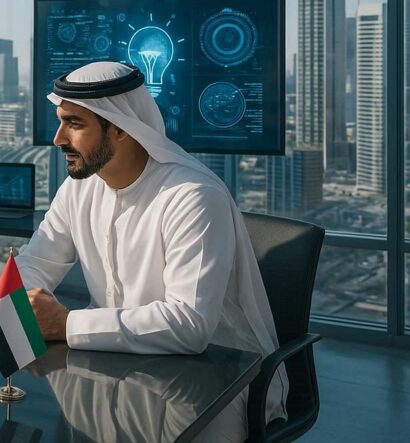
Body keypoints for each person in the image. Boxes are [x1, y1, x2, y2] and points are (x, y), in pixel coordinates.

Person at [16, 61, 287, 440]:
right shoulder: (79, 188)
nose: (58, 138)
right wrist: (27, 300)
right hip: (113, 363)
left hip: (214, 379)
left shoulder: (192, 196)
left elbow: (188, 327)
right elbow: (35, 260)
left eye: (75, 124)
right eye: (61, 122)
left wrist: (63, 323)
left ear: (120, 129)